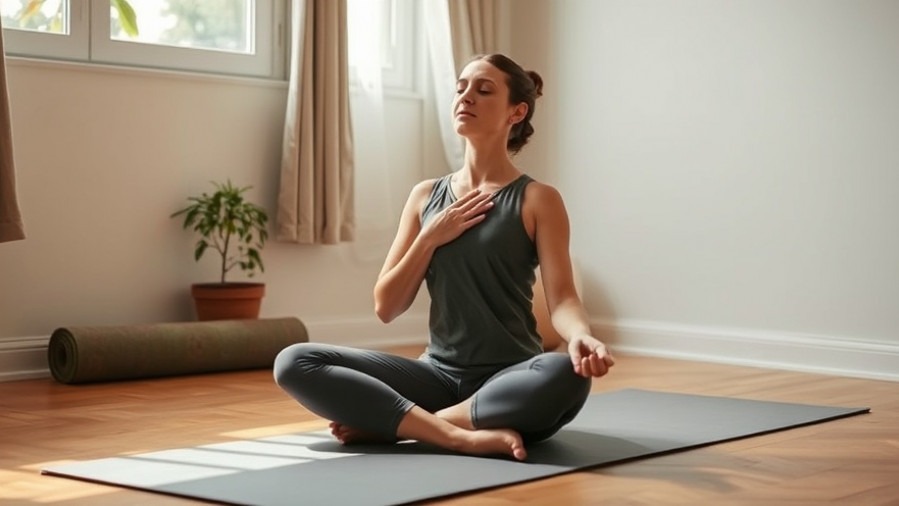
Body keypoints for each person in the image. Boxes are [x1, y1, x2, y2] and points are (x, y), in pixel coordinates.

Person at [274, 53, 614, 461]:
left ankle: (404, 427)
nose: (465, 96)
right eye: (461, 88)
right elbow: (387, 306)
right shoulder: (425, 196)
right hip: (434, 374)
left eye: (483, 90)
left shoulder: (538, 199)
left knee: (564, 374)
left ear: (516, 112)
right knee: (294, 361)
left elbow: (562, 298)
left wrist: (579, 335)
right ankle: (457, 434)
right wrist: (430, 237)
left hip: (510, 379)